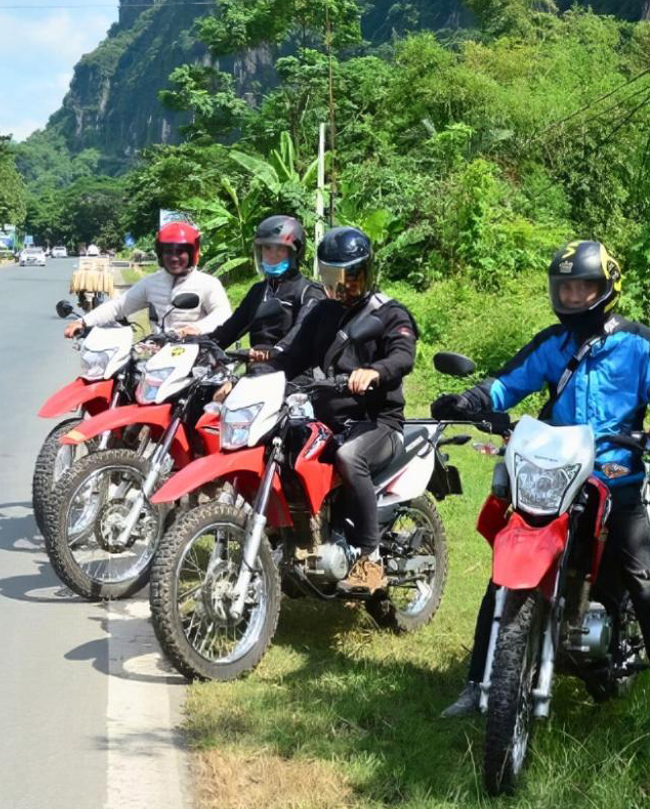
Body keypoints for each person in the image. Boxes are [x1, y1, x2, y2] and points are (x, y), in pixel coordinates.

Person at [433, 239, 650, 748]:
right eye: (566, 288)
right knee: (503, 574)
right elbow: (509, 384)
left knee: (644, 582)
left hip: (616, 478)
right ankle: (475, 684)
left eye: (584, 287)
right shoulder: (552, 344)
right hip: (556, 473)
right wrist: (472, 399)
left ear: (606, 290)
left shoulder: (638, 343)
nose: (573, 297)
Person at [258, 226, 417, 593]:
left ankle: (370, 559)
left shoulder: (390, 313)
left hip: (378, 422)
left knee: (349, 458)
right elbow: (292, 357)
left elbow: (402, 355)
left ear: (367, 272)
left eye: (351, 276)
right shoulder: (323, 312)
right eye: (333, 276)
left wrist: (375, 371)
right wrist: (251, 380)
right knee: (278, 451)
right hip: (326, 417)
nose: (341, 286)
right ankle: (289, 544)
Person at [64, 221, 229, 339]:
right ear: (160, 254)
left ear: (192, 253)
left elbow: (223, 314)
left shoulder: (208, 284)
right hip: (160, 350)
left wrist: (197, 328)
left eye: (180, 252)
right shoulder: (151, 283)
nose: (173, 258)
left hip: (200, 353)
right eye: (168, 252)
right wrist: (83, 322)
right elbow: (119, 306)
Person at [203, 215, 324, 354]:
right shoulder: (258, 291)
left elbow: (302, 330)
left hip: (293, 370)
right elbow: (229, 330)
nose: (272, 255)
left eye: (280, 248)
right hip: (258, 369)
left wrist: (278, 350)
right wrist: (198, 342)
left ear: (294, 253)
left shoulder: (309, 292)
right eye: (267, 248)